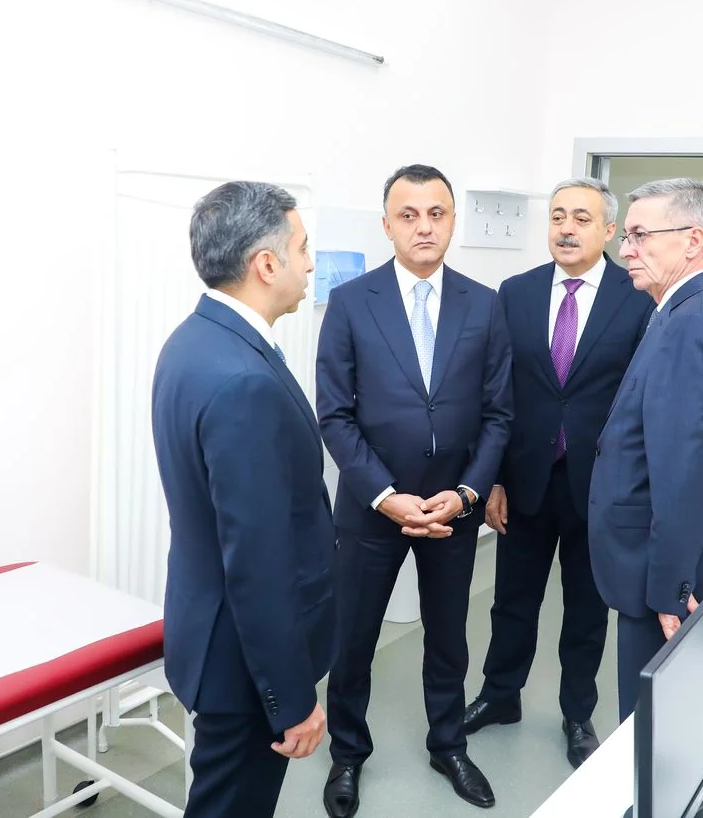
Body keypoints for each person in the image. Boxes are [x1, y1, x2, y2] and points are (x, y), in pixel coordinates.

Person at [315, 164, 513, 817]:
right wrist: (384, 494)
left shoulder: (484, 305)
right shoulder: (351, 302)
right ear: (387, 225)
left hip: (454, 508)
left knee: (449, 636)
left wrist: (468, 493)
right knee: (353, 639)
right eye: (409, 215)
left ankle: (448, 745)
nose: (423, 227)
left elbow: (498, 415)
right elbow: (334, 415)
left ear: (452, 220)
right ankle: (348, 753)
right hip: (372, 508)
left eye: (436, 213)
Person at [150, 181, 337, 817]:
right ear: (266, 264)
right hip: (244, 663)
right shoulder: (242, 381)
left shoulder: (194, 341)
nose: (310, 263)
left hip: (212, 633)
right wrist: (292, 699)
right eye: (302, 248)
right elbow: (257, 562)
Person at [463, 178, 655, 767]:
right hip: (525, 478)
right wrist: (493, 478)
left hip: (597, 486)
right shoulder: (515, 292)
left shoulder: (638, 296)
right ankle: (501, 695)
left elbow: (643, 400)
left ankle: (577, 713)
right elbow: (496, 392)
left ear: (610, 230)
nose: (566, 228)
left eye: (581, 218)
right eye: (557, 217)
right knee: (511, 600)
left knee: (586, 609)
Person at [588, 178, 703, 722]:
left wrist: (670, 589)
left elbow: (683, 471)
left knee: (653, 725)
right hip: (688, 556)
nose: (625, 249)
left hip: (666, 570)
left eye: (640, 235)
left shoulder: (692, 323)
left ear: (693, 240)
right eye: (627, 236)